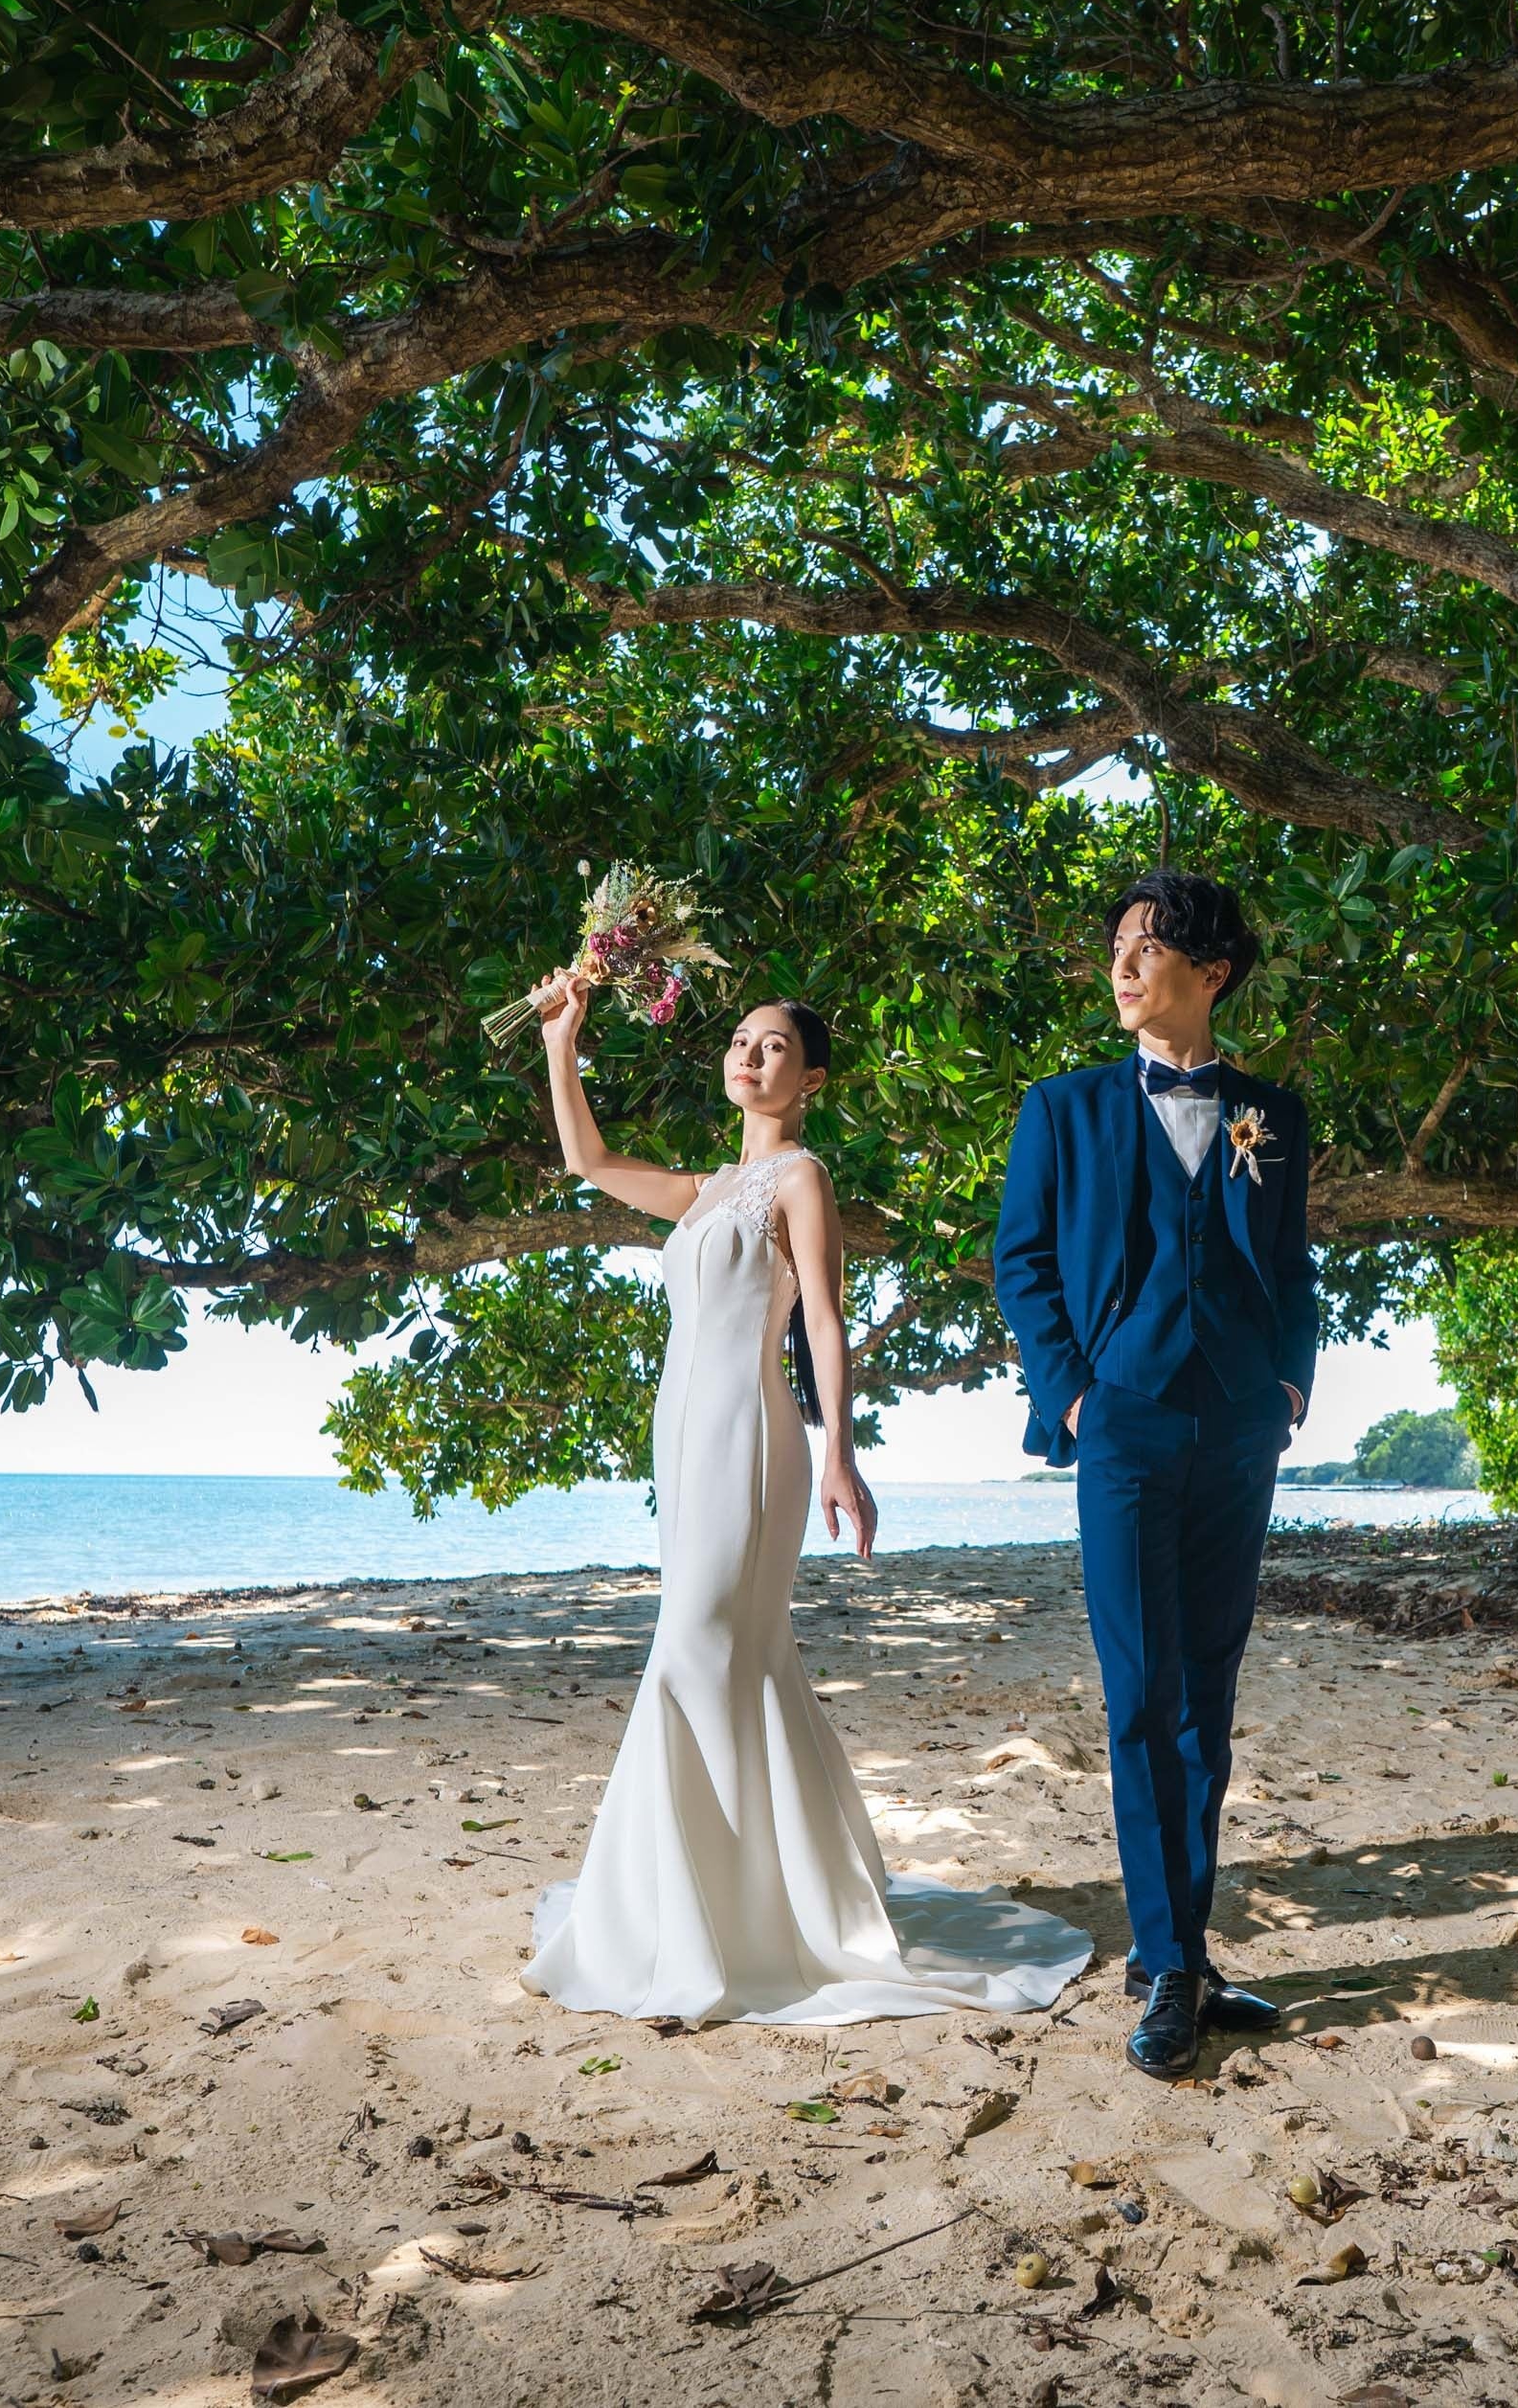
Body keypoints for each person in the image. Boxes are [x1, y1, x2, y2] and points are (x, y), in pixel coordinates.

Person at [515, 970, 1089, 2024]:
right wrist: (563, 1037)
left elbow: (822, 1317)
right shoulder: (703, 1189)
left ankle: (729, 1917)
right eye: (741, 1039)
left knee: (700, 1643)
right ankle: (729, 1896)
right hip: (681, 1440)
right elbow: (587, 1160)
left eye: (774, 1044)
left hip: (753, 1434)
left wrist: (840, 1454)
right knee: (731, 1653)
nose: (750, 1054)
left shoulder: (800, 1177)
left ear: (810, 1078)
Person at [990, 871, 1317, 2077]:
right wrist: (1074, 1393)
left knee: (1207, 1692)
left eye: (1147, 947)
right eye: (1118, 946)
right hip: (1121, 1423)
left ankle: (1184, 1950)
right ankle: (1168, 1958)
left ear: (1210, 972)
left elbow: (1292, 1262)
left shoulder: (1272, 1112)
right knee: (1140, 1692)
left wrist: (1290, 1388)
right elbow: (1023, 1261)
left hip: (1239, 1425)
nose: (1122, 966)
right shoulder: (1061, 1107)